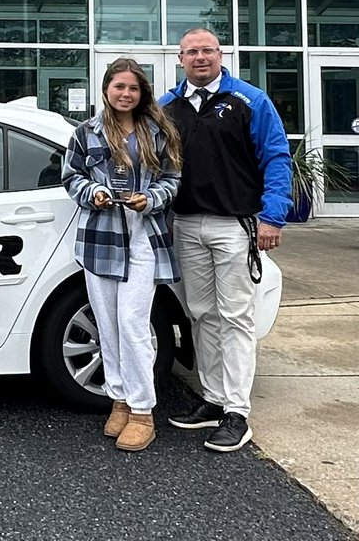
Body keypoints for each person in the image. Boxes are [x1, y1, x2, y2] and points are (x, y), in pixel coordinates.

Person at [159, 28, 291, 453]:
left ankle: (237, 411)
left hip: (235, 225)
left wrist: (272, 217)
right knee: (201, 314)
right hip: (187, 225)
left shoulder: (250, 101)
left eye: (208, 51)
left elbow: (275, 157)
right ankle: (213, 400)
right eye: (192, 52)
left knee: (236, 316)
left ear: (221, 55)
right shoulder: (167, 106)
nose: (200, 57)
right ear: (180, 58)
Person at [62, 57, 181, 452]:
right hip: (100, 237)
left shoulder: (158, 132)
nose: (126, 94)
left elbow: (172, 179)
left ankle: (144, 410)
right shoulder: (86, 133)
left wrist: (151, 198)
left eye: (133, 88)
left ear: (141, 92)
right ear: (106, 90)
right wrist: (90, 193)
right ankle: (120, 399)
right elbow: (71, 176)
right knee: (107, 324)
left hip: (144, 235)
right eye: (119, 87)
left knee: (132, 323)